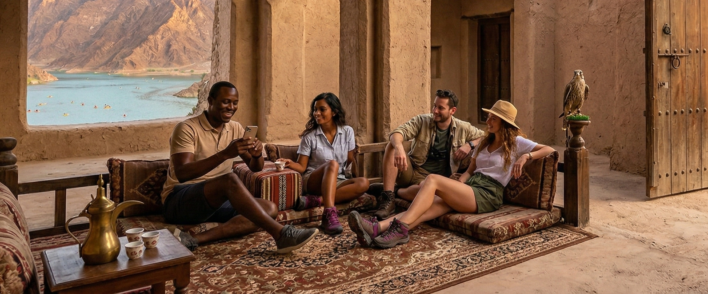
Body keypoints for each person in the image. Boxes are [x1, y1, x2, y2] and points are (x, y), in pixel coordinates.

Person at [349, 100, 554, 248]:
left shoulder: (516, 143)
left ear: (504, 123)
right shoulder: (484, 141)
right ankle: (378, 228)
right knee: (429, 205)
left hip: (489, 194)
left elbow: (549, 150)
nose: (488, 120)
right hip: (471, 187)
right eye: (489, 116)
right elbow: (472, 169)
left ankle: (400, 229)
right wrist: (461, 181)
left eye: (494, 118)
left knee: (432, 180)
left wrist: (525, 157)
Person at [160, 81, 316, 253]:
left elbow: (255, 167)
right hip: (180, 200)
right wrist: (225, 154)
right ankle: (280, 234)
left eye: (235, 103)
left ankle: (194, 239)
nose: (231, 107)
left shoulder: (235, 128)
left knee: (269, 208)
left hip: (217, 201)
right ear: (210, 101)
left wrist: (257, 155)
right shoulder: (187, 129)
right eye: (226, 101)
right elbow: (182, 173)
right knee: (229, 179)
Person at [373, 90, 485, 219]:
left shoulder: (463, 127)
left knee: (432, 193)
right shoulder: (422, 120)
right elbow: (397, 133)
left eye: (440, 108)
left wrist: (469, 144)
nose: (435, 110)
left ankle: (393, 191)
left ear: (452, 110)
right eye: (434, 106)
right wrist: (399, 147)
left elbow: (485, 136)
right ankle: (388, 199)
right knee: (391, 146)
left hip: (431, 181)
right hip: (411, 171)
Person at [277, 93, 370, 235]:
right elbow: (302, 167)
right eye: (315, 110)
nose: (317, 113)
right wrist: (289, 163)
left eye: (322, 109)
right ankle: (328, 214)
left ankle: (316, 201)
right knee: (332, 164)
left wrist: (355, 168)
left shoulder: (347, 132)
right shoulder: (309, 137)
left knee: (364, 183)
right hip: (313, 181)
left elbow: (350, 161)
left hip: (338, 180)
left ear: (334, 112)